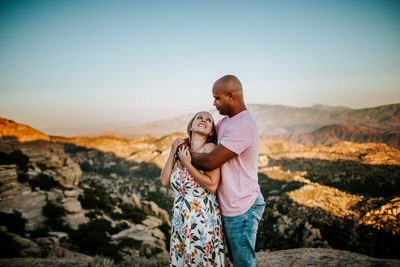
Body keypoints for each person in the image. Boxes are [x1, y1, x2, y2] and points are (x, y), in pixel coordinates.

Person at [190, 75, 265, 267]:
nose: (213, 103)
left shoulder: (243, 126)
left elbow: (210, 160)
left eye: (217, 98)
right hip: (230, 204)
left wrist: (182, 156)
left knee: (242, 262)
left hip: (242, 207)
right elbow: (205, 142)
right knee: (231, 260)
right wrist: (184, 144)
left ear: (230, 96)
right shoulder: (225, 122)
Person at [160, 111, 229, 266]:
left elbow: (212, 186)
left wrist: (188, 164)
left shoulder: (210, 148)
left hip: (202, 216)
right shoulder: (182, 151)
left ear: (211, 131)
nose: (203, 120)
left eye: (208, 120)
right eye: (199, 118)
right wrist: (173, 151)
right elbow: (164, 180)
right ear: (191, 125)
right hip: (181, 217)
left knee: (201, 258)